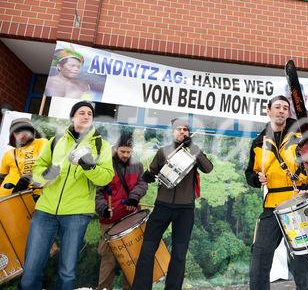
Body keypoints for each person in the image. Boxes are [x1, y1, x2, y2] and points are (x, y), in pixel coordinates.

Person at [17, 101, 114, 290]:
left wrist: (89, 167)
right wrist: (47, 175)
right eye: (81, 112)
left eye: (89, 113)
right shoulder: (56, 140)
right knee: (30, 269)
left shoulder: (101, 145)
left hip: (77, 214)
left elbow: (105, 178)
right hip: (45, 210)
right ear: (72, 117)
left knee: (67, 272)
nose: (86, 116)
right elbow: (37, 170)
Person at [131, 118, 213, 290]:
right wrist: (147, 176)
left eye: (185, 129)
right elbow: (152, 172)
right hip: (162, 205)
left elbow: (208, 168)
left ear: (188, 133)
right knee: (147, 250)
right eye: (178, 129)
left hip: (185, 209)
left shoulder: (194, 151)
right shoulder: (163, 151)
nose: (182, 132)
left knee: (179, 253)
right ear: (172, 131)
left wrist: (194, 149)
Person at [245, 95, 308, 290]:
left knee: (302, 259)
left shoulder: (301, 135)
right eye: (277, 107)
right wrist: (256, 178)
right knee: (260, 255)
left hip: (298, 203)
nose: (282, 110)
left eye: (285, 107)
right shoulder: (258, 142)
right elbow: (250, 172)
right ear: (268, 111)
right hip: (272, 205)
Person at [95, 132, 148, 290]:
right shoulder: (105, 163)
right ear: (116, 148)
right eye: (122, 151)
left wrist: (134, 196)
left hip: (131, 217)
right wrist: (103, 208)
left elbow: (143, 183)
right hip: (109, 219)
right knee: (108, 258)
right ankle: (104, 288)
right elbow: (97, 191)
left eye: (128, 152)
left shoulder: (137, 164)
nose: (125, 155)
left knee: (132, 257)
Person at [0, 118, 47, 197]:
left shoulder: (42, 142)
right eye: (17, 132)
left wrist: (24, 182)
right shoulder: (9, 153)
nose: (22, 134)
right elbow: (1, 177)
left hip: (34, 196)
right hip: (5, 198)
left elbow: (42, 163)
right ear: (13, 135)